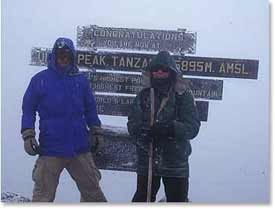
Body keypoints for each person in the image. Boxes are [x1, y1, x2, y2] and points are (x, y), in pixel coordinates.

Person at [21, 37, 107, 202]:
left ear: (72, 56)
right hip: (51, 148)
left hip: (79, 148)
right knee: (42, 198)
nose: (63, 58)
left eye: (67, 54)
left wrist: (96, 131)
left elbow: (90, 108)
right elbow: (28, 109)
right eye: (60, 54)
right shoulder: (40, 80)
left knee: (94, 196)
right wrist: (28, 134)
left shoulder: (80, 81)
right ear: (54, 55)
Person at [127, 51, 201, 202]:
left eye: (164, 69)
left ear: (171, 72)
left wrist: (170, 128)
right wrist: (143, 133)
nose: (160, 72)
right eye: (156, 69)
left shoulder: (183, 96)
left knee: (177, 201)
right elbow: (132, 124)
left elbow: (193, 127)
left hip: (175, 164)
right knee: (142, 200)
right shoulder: (144, 95)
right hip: (148, 160)